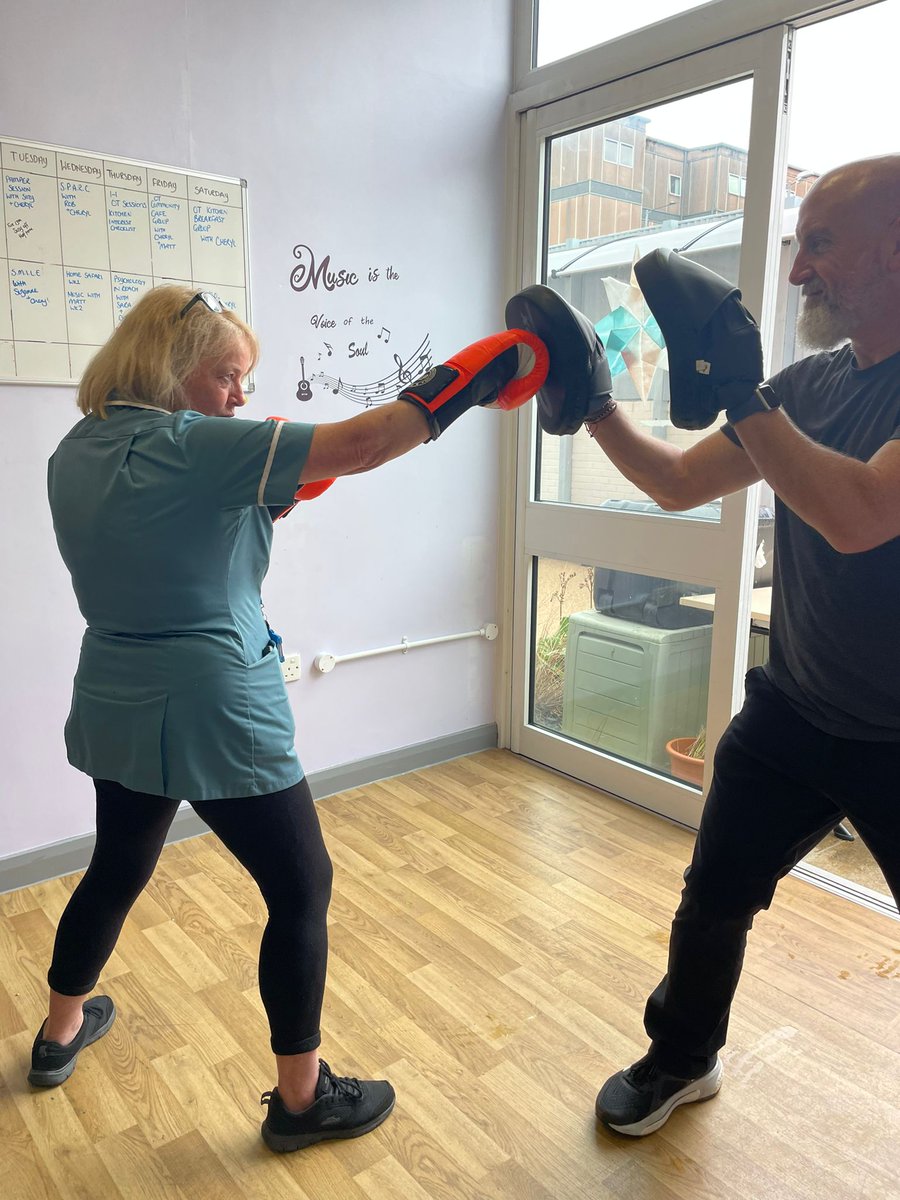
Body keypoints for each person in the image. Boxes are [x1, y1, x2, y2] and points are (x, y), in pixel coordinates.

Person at [34, 283, 546, 1153]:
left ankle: (57, 1033)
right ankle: (303, 1100)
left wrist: (290, 484)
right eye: (229, 376)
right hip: (217, 702)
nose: (241, 396)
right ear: (171, 367)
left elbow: (196, 521)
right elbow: (369, 442)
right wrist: (482, 367)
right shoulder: (195, 444)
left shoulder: (77, 450)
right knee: (300, 887)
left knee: (118, 865)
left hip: (117, 695)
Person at [530, 154, 900, 1137]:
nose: (795, 272)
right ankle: (681, 1060)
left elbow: (862, 514)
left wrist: (744, 397)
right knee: (713, 900)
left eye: (819, 241)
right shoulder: (809, 383)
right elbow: (677, 483)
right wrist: (594, 402)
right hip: (797, 708)